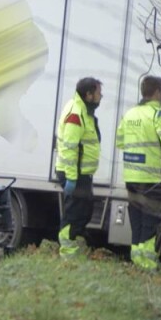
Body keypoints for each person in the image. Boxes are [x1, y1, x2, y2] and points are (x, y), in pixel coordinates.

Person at [116, 76, 161, 270]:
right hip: (153, 177)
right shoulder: (158, 114)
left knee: (137, 218)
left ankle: (137, 258)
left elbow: (120, 142)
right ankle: (148, 264)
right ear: (157, 92)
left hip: (132, 176)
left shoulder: (130, 114)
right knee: (151, 220)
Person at [55, 77, 103, 258]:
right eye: (98, 93)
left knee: (84, 211)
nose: (101, 96)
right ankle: (67, 252)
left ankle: (73, 249)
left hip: (82, 174)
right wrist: (71, 178)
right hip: (74, 174)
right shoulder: (76, 113)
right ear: (88, 95)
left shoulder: (84, 111)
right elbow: (70, 148)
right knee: (74, 213)